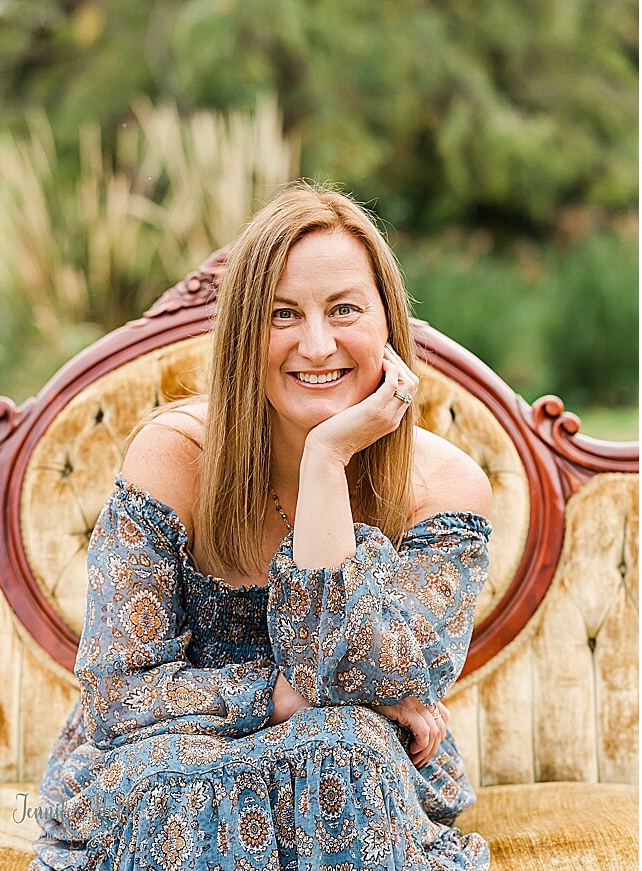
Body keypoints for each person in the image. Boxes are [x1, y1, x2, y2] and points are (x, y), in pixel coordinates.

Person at [30, 183, 494, 869]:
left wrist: (327, 457)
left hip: (349, 777)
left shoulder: (445, 490)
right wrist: (273, 694)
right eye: (283, 313)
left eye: (344, 309)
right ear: (246, 330)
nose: (315, 344)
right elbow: (117, 693)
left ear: (388, 323)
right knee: (180, 783)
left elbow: (347, 678)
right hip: (175, 765)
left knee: (345, 749)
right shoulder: (174, 456)